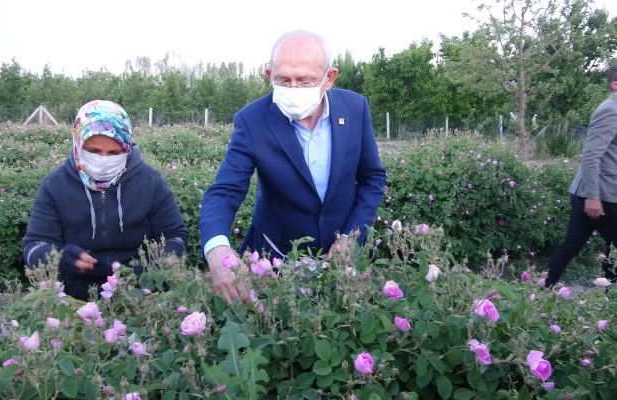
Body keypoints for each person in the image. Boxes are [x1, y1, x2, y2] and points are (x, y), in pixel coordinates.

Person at [199, 30, 387, 303]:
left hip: (340, 257)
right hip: (274, 258)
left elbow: (371, 178)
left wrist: (350, 237)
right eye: (283, 80)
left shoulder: (355, 109)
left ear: (329, 78)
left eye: (305, 80)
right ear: (269, 76)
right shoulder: (253, 121)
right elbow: (224, 191)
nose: (293, 89)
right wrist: (216, 249)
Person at [22, 100, 189, 300]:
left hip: (141, 293)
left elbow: (174, 235)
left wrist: (158, 267)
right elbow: (33, 245)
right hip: (76, 298)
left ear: (126, 148)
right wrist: (59, 257)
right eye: (93, 151)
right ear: (78, 144)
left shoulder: (150, 181)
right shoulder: (55, 185)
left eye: (113, 153)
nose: (103, 160)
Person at [545, 65, 617, 286]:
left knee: (572, 245)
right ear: (615, 85)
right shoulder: (610, 110)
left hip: (593, 193)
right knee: (614, 248)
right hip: (600, 195)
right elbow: (591, 155)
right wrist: (592, 196)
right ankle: (608, 299)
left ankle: (540, 289)